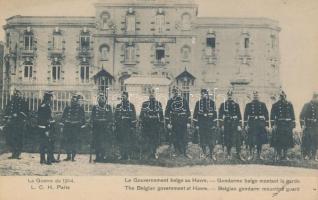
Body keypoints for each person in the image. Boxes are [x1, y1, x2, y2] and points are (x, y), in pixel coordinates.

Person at [165, 87, 191, 158]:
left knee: (184, 137)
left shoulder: (184, 100)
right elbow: (167, 113)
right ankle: (177, 152)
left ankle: (185, 152)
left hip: (183, 121)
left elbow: (188, 112)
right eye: (174, 92)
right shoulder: (170, 101)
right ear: (173, 93)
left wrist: (188, 122)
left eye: (178, 92)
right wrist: (168, 123)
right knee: (175, 137)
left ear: (180, 92)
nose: (176, 93)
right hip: (175, 121)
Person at [244, 91, 270, 160]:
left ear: (259, 96)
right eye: (254, 95)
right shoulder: (248, 105)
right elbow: (245, 116)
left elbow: (266, 115)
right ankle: (251, 155)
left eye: (256, 95)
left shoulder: (262, 104)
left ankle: (259, 155)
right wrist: (246, 125)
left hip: (260, 124)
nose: (255, 96)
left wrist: (266, 125)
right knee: (251, 140)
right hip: (252, 123)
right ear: (252, 96)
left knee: (260, 140)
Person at [219, 89, 244, 160]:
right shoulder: (223, 105)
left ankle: (238, 154)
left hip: (235, 124)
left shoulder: (236, 105)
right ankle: (229, 153)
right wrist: (222, 125)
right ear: (227, 95)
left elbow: (239, 116)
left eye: (231, 95)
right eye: (228, 95)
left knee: (238, 139)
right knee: (228, 139)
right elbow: (220, 116)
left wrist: (239, 125)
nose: (230, 96)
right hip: (227, 124)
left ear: (233, 96)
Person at [270, 90, 295, 160]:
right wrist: (273, 125)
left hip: (287, 125)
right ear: (279, 97)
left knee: (286, 141)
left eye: (283, 96)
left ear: (285, 96)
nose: (282, 97)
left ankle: (285, 155)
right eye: (280, 96)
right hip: (279, 125)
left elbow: (292, 115)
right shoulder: (275, 105)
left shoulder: (289, 104)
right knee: (279, 141)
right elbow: (272, 116)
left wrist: (293, 125)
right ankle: (278, 155)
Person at [3, 89, 29, 159]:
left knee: (18, 138)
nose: (16, 95)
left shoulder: (23, 102)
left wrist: (17, 114)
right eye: (15, 94)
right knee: (11, 137)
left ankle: (18, 153)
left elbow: (26, 113)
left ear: (20, 95)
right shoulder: (11, 102)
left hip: (19, 123)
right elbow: (7, 111)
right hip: (11, 123)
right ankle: (13, 152)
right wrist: (7, 117)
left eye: (17, 94)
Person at [193, 89, 218, 160]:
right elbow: (195, 115)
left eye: (204, 94)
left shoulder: (212, 103)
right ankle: (204, 153)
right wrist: (196, 125)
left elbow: (215, 115)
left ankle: (211, 153)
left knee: (211, 140)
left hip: (210, 124)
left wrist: (214, 124)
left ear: (207, 94)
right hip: (202, 124)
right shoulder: (198, 103)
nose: (203, 95)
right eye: (202, 94)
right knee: (202, 140)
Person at [139, 88, 164, 159]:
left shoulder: (159, 104)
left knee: (155, 139)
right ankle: (150, 152)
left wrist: (162, 124)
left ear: (155, 94)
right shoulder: (145, 104)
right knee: (148, 139)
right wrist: (141, 122)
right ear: (148, 95)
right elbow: (141, 114)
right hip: (147, 124)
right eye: (150, 93)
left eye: (153, 93)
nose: (152, 94)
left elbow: (161, 115)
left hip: (155, 124)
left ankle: (155, 152)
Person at [61, 93, 86, 161]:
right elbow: (63, 117)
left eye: (75, 100)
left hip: (76, 127)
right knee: (67, 141)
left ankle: (73, 156)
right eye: (72, 99)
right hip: (68, 127)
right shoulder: (67, 107)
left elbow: (83, 118)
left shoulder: (80, 108)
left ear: (77, 101)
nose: (73, 101)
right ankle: (68, 156)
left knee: (74, 142)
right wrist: (64, 122)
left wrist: (79, 123)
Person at [90, 92, 114, 162]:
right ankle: (97, 156)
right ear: (98, 99)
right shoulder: (95, 107)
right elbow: (92, 117)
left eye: (103, 98)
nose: (101, 99)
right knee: (97, 142)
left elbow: (110, 117)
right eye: (100, 98)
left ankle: (103, 156)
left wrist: (109, 124)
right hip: (97, 128)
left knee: (104, 142)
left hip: (105, 128)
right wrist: (92, 124)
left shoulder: (108, 107)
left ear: (105, 99)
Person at [37, 91, 58, 164]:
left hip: (45, 127)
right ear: (47, 99)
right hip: (45, 128)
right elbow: (42, 119)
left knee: (47, 143)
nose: (51, 100)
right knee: (47, 144)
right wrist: (49, 123)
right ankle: (46, 160)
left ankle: (47, 159)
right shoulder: (44, 107)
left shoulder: (45, 106)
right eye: (50, 98)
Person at [114, 91, 137, 160]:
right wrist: (116, 124)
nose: (122, 97)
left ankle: (127, 155)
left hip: (128, 126)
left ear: (127, 97)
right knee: (121, 140)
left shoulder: (131, 106)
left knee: (127, 141)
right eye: (122, 96)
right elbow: (115, 116)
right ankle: (121, 155)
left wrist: (133, 126)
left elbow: (134, 117)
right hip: (120, 126)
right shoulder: (118, 106)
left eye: (124, 96)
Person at [300, 91, 318, 161]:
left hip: (316, 127)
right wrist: (302, 125)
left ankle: (314, 156)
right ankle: (306, 155)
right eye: (317, 98)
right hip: (308, 126)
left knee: (315, 141)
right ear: (314, 97)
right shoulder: (307, 105)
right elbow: (301, 116)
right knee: (307, 141)